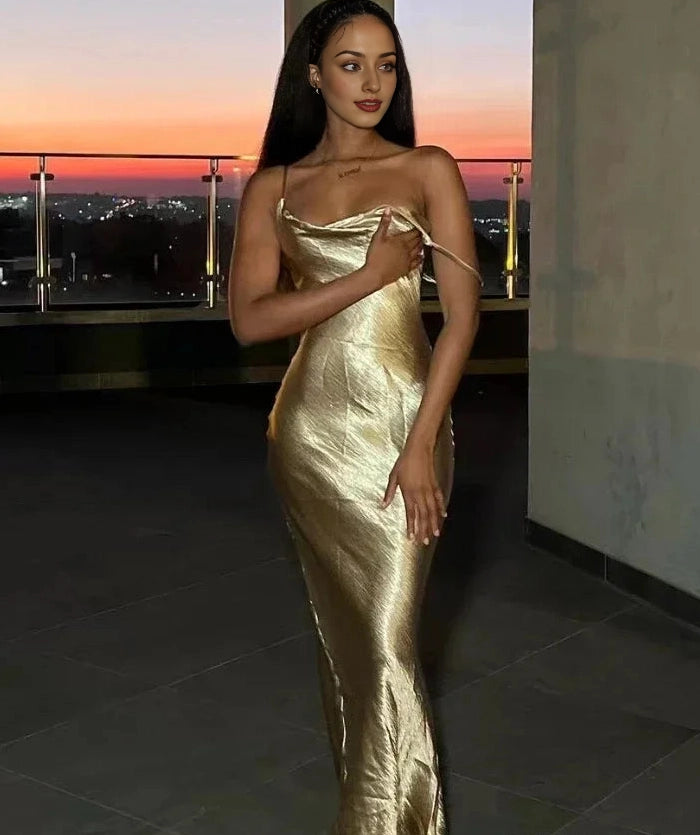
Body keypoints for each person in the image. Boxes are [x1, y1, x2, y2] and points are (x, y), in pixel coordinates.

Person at [228, 1, 481, 831]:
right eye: (350, 63)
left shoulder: (428, 168)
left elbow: (463, 319)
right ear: (313, 75)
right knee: (350, 647)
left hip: (408, 424)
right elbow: (251, 319)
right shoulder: (274, 187)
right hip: (310, 435)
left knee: (387, 645)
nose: (373, 82)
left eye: (387, 63)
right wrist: (368, 276)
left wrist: (421, 444)